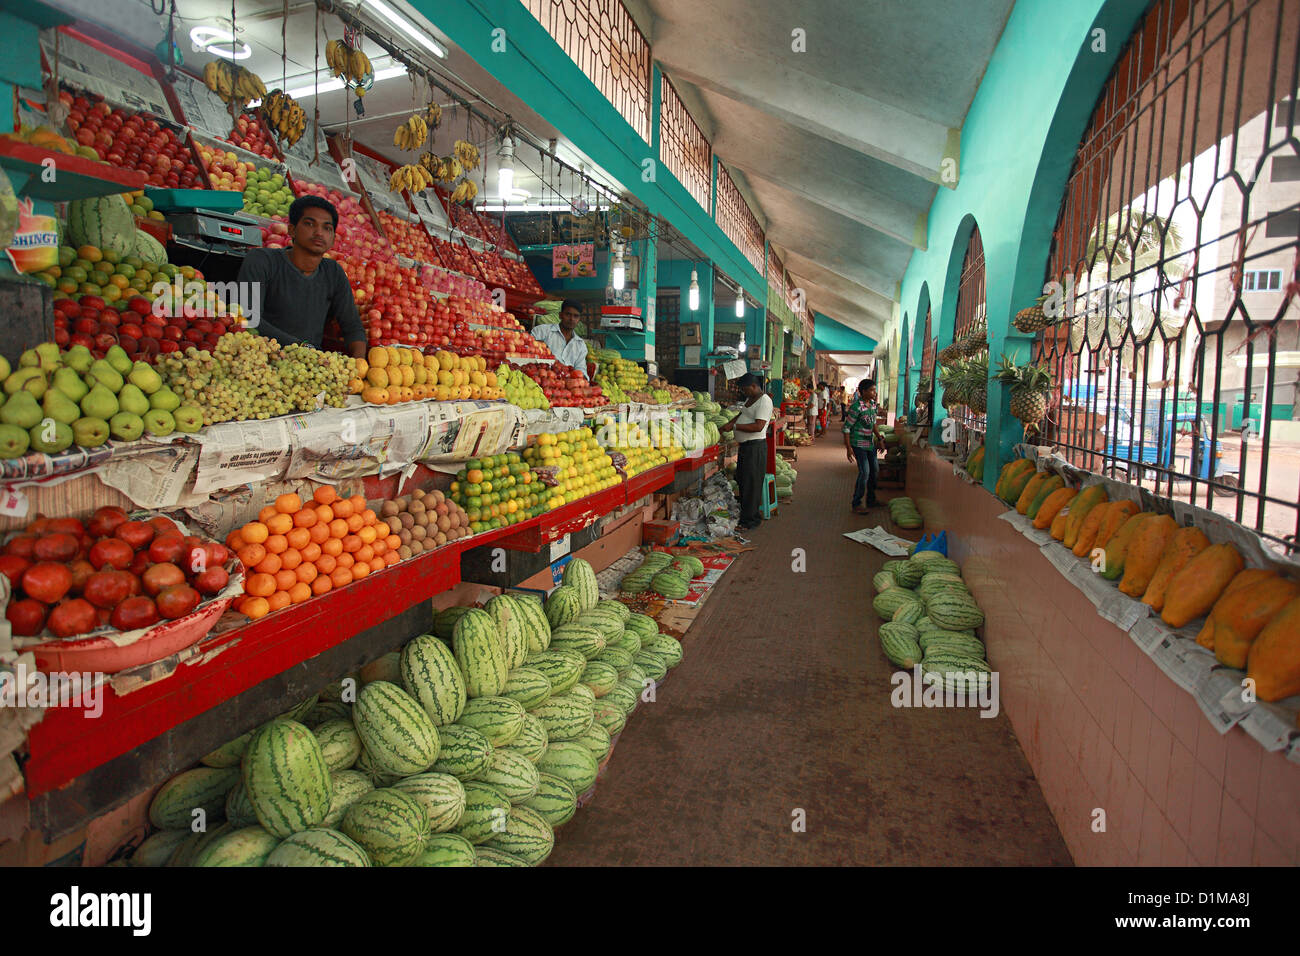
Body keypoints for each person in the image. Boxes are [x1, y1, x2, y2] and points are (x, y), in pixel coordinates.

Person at [236, 195, 366, 357]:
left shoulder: (334, 272)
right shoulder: (261, 260)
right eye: (309, 224)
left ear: (333, 239)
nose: (319, 233)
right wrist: (303, 347)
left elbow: (352, 327)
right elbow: (248, 319)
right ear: (292, 230)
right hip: (260, 360)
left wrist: (358, 366)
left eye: (327, 228)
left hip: (309, 367)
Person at [722, 373, 774, 532]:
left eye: (745, 389)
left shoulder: (764, 401)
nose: (744, 392)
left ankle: (750, 521)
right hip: (746, 447)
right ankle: (747, 515)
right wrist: (731, 422)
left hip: (755, 447)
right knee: (743, 481)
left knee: (752, 484)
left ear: (753, 386)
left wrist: (735, 427)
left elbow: (758, 426)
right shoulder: (751, 399)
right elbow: (743, 414)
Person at [843, 378, 885, 513]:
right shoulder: (856, 407)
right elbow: (846, 428)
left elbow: (873, 424)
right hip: (858, 444)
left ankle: (871, 500)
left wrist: (879, 438)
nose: (874, 392)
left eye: (875, 390)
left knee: (875, 471)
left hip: (870, 444)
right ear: (863, 391)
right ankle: (856, 503)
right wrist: (849, 448)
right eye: (872, 390)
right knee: (864, 472)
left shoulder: (873, 405)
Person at [532, 300, 590, 378]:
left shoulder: (580, 345)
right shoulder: (542, 331)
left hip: (567, 385)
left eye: (576, 316)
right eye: (568, 314)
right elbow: (529, 355)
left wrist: (581, 379)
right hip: (542, 378)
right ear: (560, 315)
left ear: (579, 319)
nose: (571, 319)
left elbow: (581, 368)